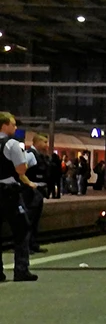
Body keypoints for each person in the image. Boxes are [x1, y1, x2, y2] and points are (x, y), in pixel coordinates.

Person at [0, 112, 38, 281]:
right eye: (13, 124)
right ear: (4, 125)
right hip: (9, 192)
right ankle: (21, 269)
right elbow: (20, 170)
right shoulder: (12, 144)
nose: (15, 128)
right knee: (22, 229)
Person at [24, 133, 50, 254]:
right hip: (31, 191)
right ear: (37, 142)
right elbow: (21, 171)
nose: (46, 145)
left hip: (38, 191)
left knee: (35, 219)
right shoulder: (29, 155)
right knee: (29, 219)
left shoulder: (40, 156)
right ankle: (26, 245)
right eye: (44, 142)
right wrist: (28, 183)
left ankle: (33, 243)